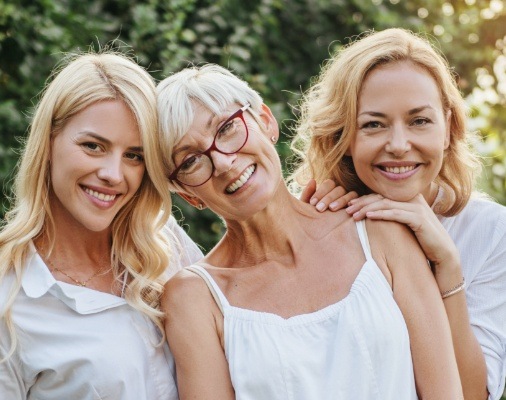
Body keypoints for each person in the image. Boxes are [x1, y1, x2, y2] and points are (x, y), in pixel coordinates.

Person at [157, 63, 463, 399]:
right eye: (190, 161)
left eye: (227, 129)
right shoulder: (194, 299)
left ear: (265, 121)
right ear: (186, 194)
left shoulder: (381, 232)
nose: (224, 162)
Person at [291, 27, 506, 400]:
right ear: (344, 136)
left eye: (419, 121)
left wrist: (448, 266)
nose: (399, 145)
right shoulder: (319, 217)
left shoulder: (491, 231)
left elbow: (475, 394)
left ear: (448, 127)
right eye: (373, 124)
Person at [0, 51, 202, 399]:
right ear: (48, 142)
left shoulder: (166, 243)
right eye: (93, 146)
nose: (112, 174)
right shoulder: (10, 299)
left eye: (134, 156)